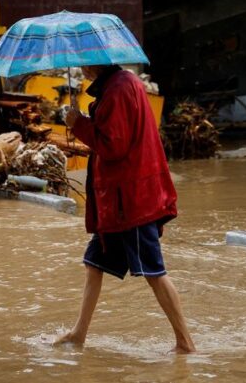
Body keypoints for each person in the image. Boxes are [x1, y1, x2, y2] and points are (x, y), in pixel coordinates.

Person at [55, 64, 196, 354]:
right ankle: (78, 333)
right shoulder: (123, 83)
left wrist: (78, 124)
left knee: (154, 271)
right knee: (94, 263)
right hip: (124, 199)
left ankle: (185, 343)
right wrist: (83, 120)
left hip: (130, 201)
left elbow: (113, 147)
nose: (81, 67)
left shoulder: (117, 90)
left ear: (95, 63)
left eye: (84, 63)